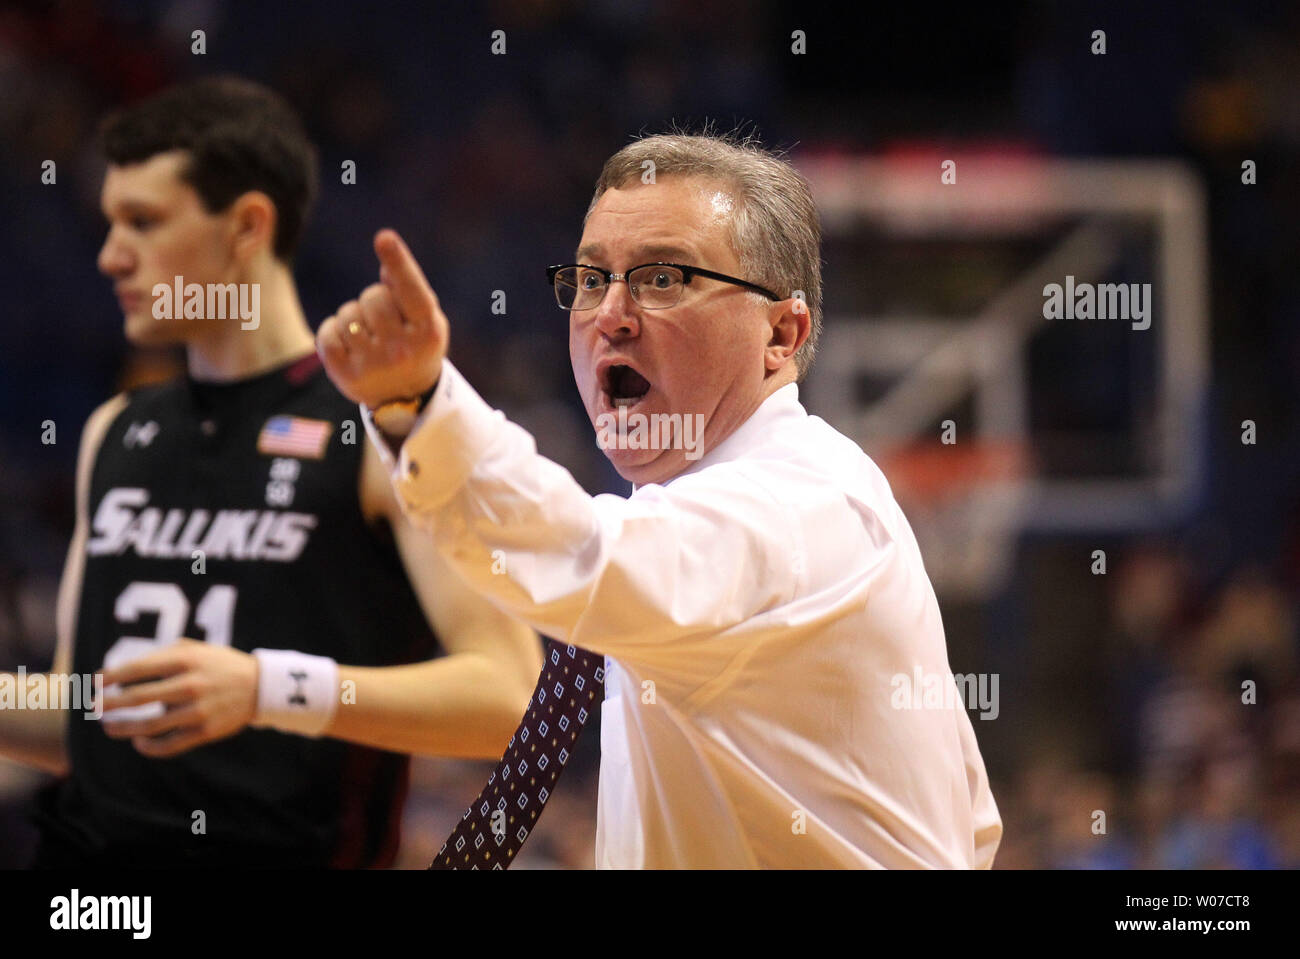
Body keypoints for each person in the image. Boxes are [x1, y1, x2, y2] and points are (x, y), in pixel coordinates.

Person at [319, 131, 1003, 868]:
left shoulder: (798, 505)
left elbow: (585, 558)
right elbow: (971, 820)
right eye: (590, 278)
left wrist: (421, 407)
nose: (611, 313)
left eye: (663, 279)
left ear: (782, 333)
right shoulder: (749, 499)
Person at [0, 76, 541, 868]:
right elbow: (88, 710)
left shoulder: (375, 426)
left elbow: (507, 698)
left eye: (143, 222)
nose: (111, 254)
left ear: (247, 225)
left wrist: (270, 687)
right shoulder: (116, 431)